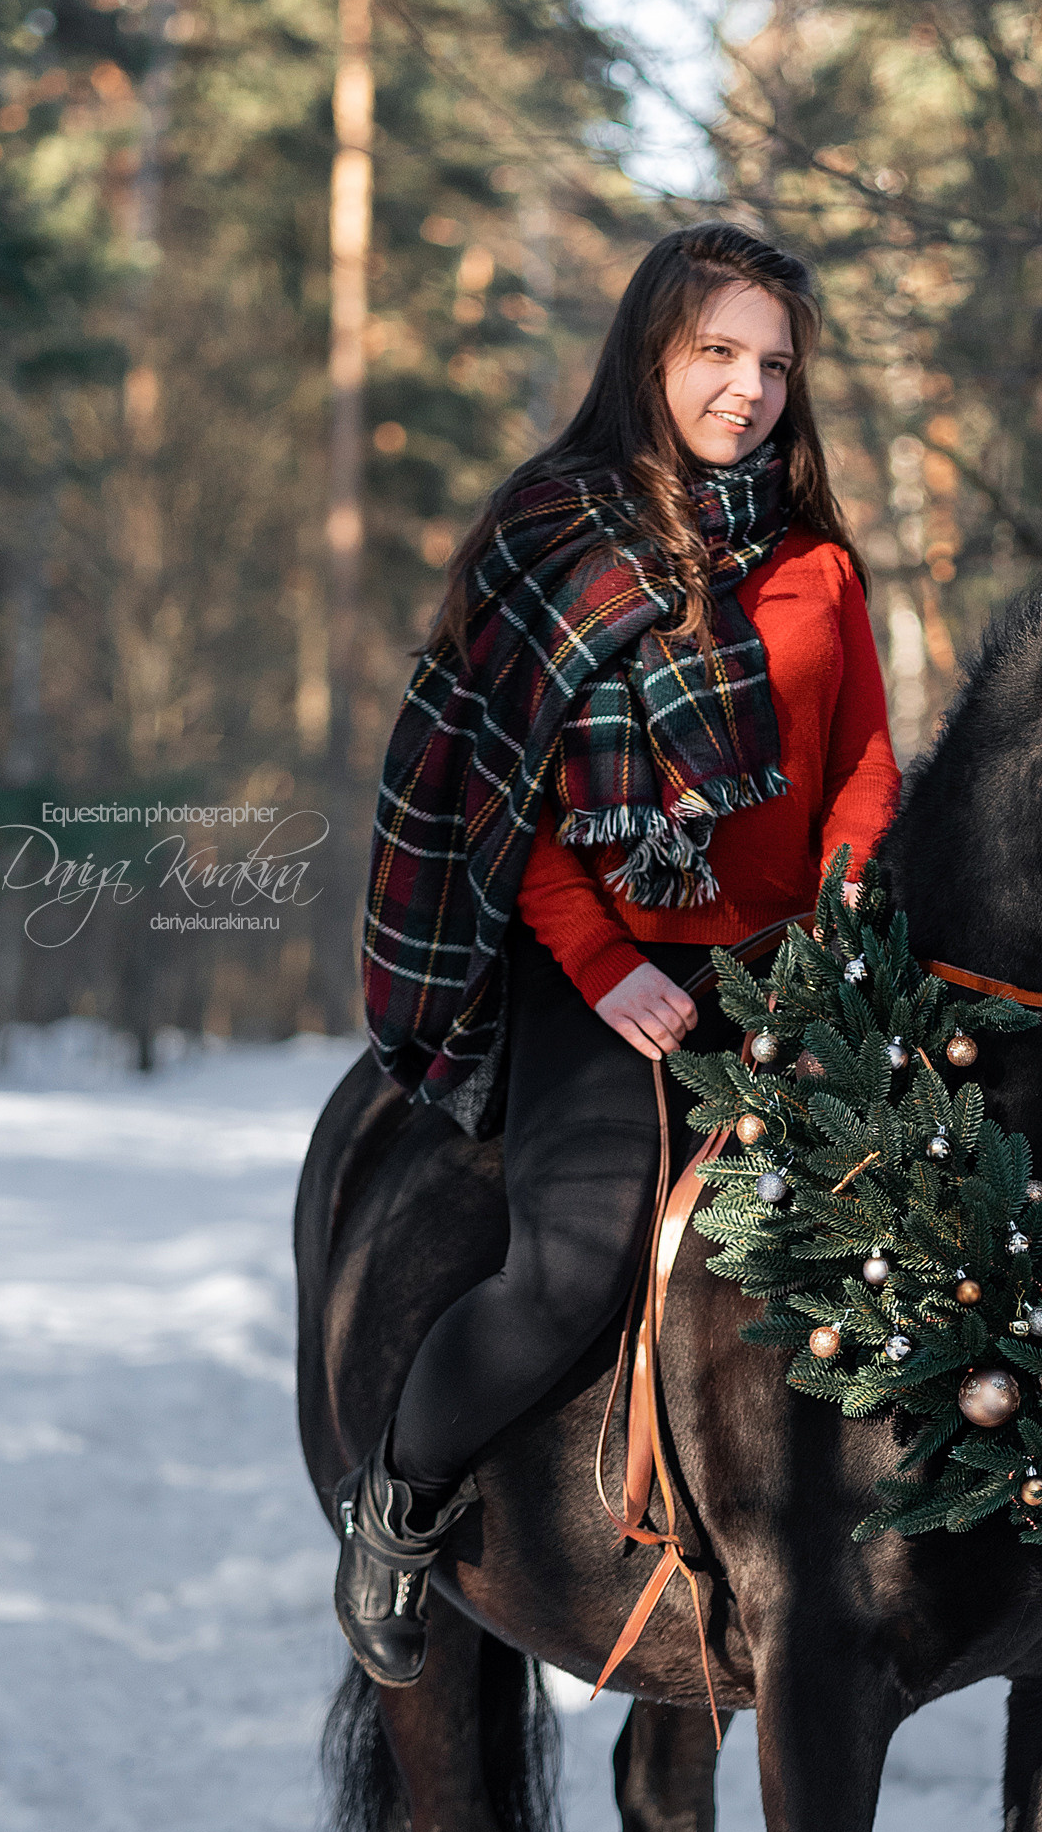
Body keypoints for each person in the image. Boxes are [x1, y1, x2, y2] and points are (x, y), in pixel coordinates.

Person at [334, 223, 901, 1683]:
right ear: (653, 355)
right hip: (606, 963)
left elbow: (861, 770)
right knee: (573, 1267)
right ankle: (396, 1507)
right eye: (720, 353)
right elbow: (496, 791)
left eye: (776, 363)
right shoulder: (556, 531)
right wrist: (599, 964)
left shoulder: (819, 565)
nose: (750, 389)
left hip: (788, 971)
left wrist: (837, 927)